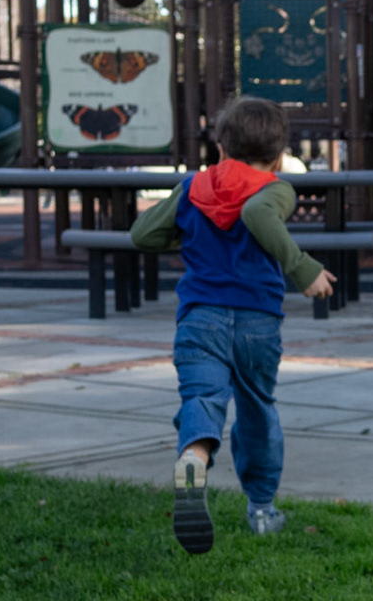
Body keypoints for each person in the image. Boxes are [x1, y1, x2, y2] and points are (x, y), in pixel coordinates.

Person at [130, 97, 335, 555]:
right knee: (257, 408)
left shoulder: (194, 186)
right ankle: (261, 509)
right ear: (278, 156)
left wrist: (189, 232)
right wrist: (304, 270)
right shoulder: (275, 189)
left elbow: (143, 234)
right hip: (256, 322)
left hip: (200, 318)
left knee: (202, 398)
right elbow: (256, 214)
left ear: (221, 148)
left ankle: (193, 458)